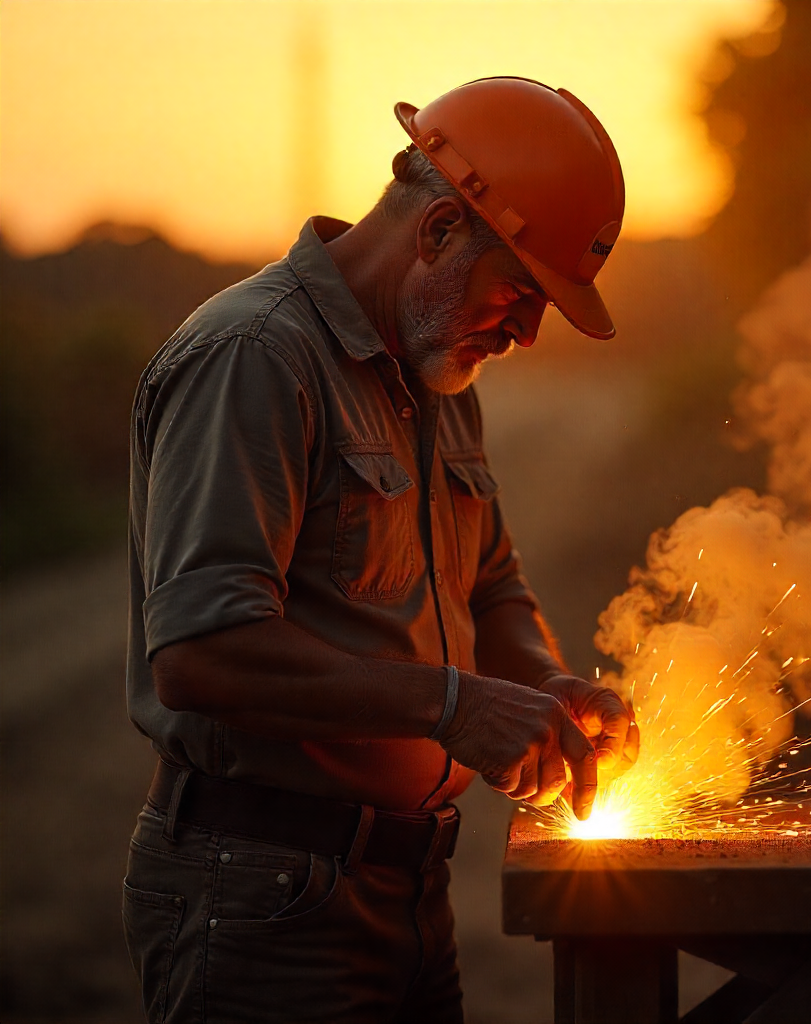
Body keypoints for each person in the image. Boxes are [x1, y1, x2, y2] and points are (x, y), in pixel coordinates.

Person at [122, 76, 638, 1024]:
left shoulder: (441, 373)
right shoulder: (257, 358)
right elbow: (201, 654)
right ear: (439, 229)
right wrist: (452, 706)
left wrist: (545, 688)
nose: (526, 332)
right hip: (264, 904)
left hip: (406, 898)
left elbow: (490, 588)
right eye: (521, 292)